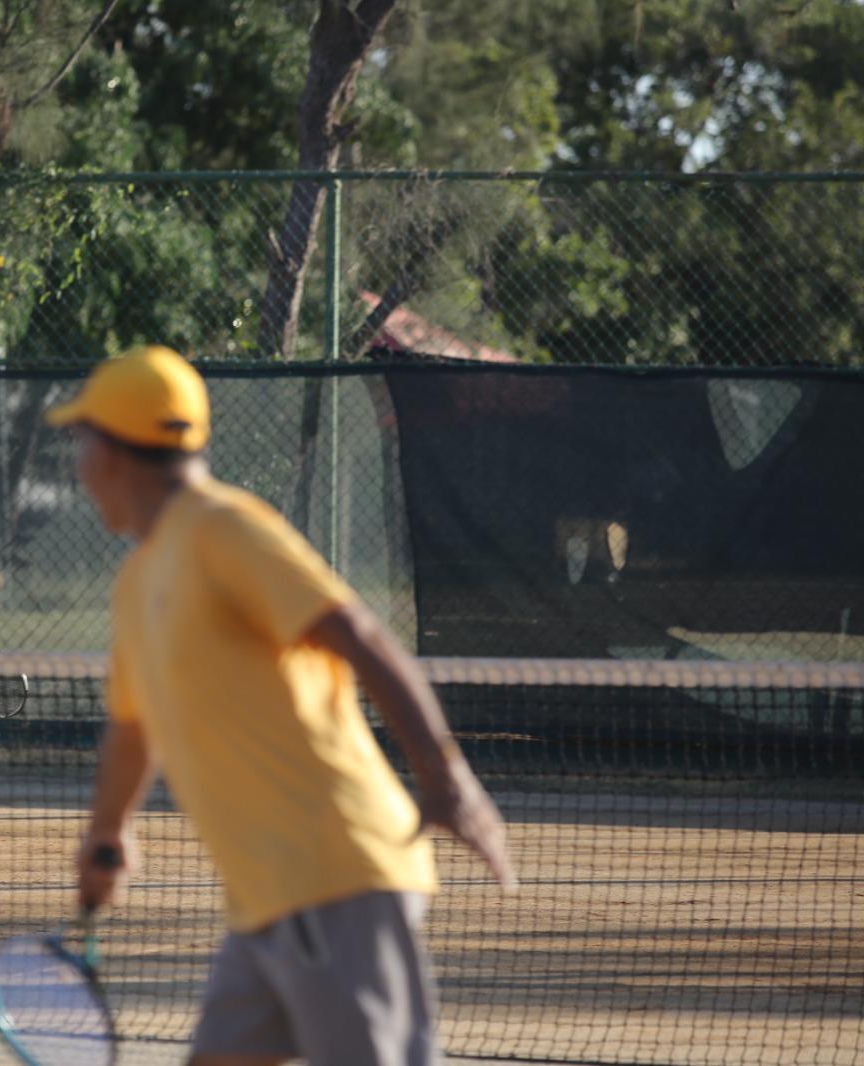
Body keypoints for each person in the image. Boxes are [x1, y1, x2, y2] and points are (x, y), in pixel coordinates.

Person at [46, 346, 517, 1066]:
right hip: (264, 900)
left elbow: (361, 634)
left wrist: (448, 779)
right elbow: (133, 728)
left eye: (82, 443)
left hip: (335, 875)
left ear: (114, 453)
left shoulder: (225, 527)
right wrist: (105, 838)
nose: (78, 468)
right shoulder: (140, 581)